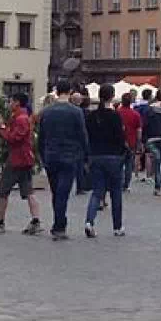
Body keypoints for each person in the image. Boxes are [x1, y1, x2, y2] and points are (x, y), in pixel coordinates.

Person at [37, 80, 89, 241]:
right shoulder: (76, 112)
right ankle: (59, 225)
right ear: (70, 91)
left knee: (55, 191)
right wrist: (86, 156)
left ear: (57, 92)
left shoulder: (46, 112)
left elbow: (41, 136)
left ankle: (58, 222)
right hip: (69, 156)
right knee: (63, 192)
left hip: (51, 156)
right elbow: (82, 135)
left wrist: (42, 155)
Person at [0, 93, 43, 235]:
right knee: (28, 191)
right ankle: (35, 221)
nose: (9, 104)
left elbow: (13, 138)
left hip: (17, 159)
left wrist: (2, 126)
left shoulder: (21, 119)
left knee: (4, 190)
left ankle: (0, 222)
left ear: (17, 102)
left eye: (11, 101)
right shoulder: (20, 117)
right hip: (24, 160)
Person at [84, 85, 127, 238]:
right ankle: (117, 227)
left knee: (97, 192)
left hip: (96, 156)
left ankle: (89, 221)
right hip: (113, 156)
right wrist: (123, 153)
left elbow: (87, 136)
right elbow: (120, 137)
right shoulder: (115, 116)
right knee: (116, 192)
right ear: (112, 96)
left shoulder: (91, 116)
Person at [117, 93, 142, 193]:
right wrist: (139, 142)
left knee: (119, 165)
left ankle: (119, 183)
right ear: (131, 101)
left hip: (118, 142)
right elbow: (139, 130)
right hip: (131, 142)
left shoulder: (117, 113)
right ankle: (126, 185)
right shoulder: (135, 114)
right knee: (128, 164)